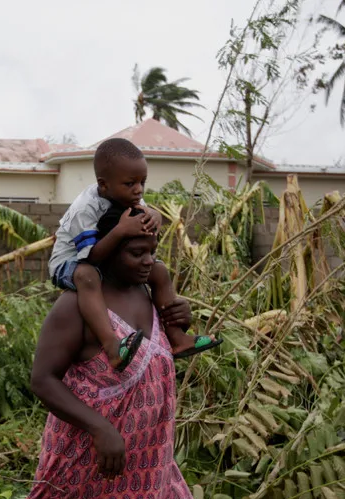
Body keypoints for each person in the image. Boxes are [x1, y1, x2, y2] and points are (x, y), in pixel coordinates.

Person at [26, 210, 256, 499]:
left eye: (153, 251)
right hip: (90, 459)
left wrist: (182, 322)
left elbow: (153, 363)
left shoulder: (152, 298)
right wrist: (99, 427)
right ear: (106, 249)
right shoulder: (77, 306)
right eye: (135, 252)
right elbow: (42, 379)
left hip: (149, 460)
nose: (148, 261)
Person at [48, 137, 220, 372]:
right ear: (104, 184)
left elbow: (144, 214)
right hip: (71, 261)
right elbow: (90, 259)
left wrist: (154, 215)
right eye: (130, 183)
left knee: (158, 269)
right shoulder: (85, 209)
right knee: (87, 276)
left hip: (104, 255)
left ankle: (177, 338)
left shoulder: (128, 196)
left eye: (142, 182)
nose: (138, 189)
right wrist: (120, 231)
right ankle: (112, 346)